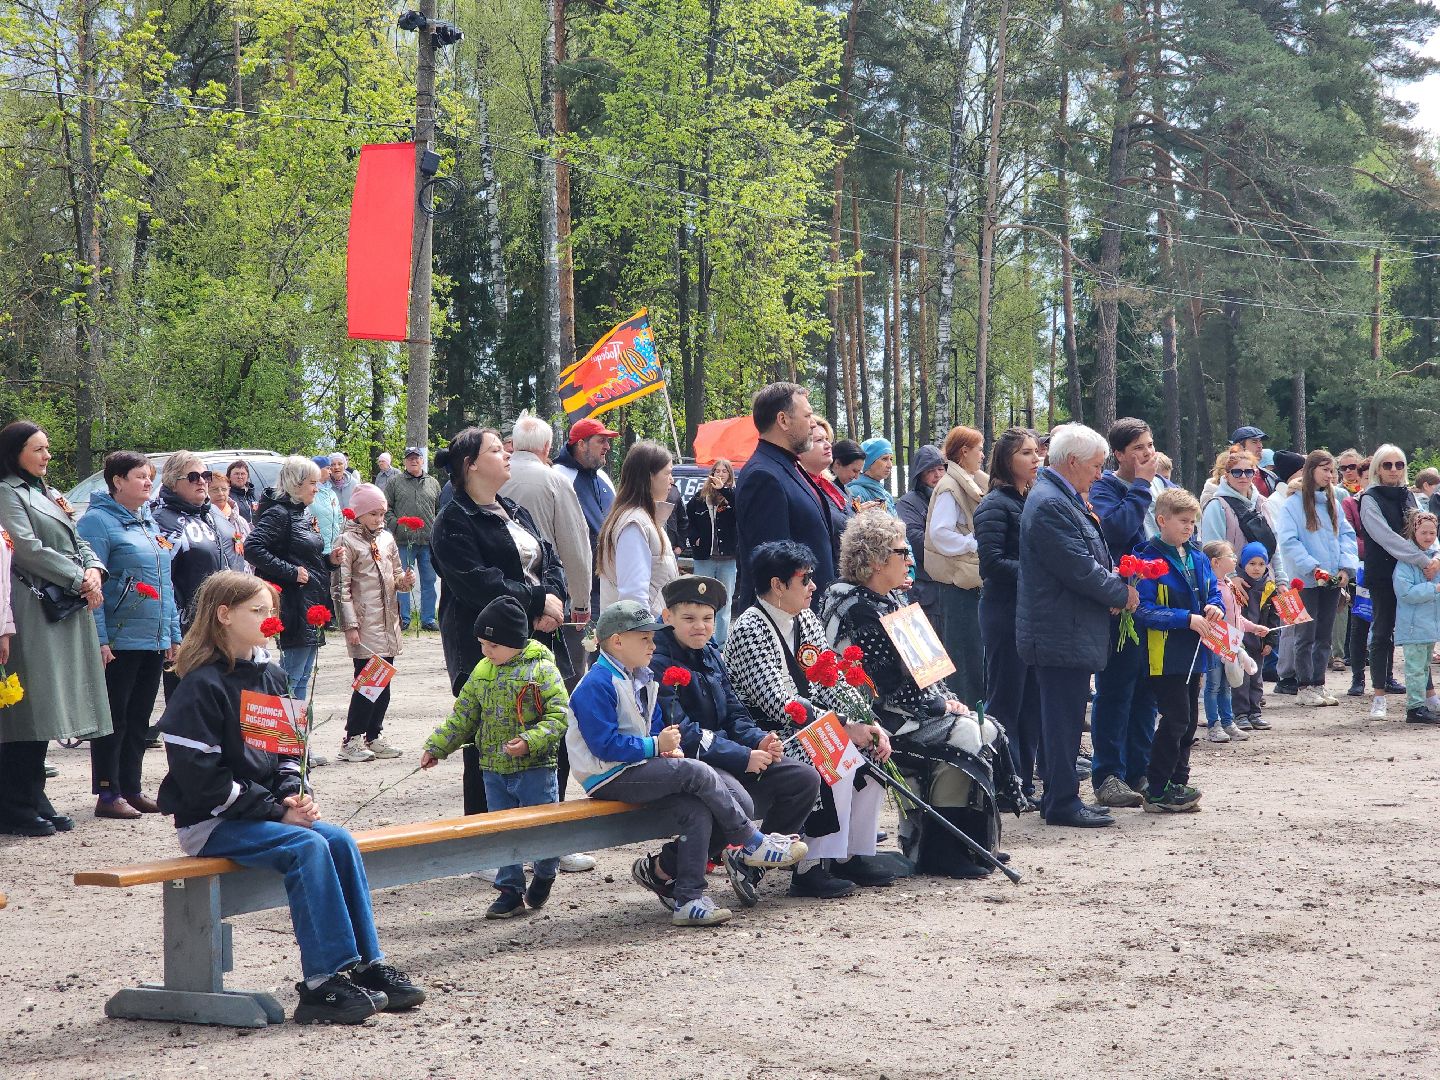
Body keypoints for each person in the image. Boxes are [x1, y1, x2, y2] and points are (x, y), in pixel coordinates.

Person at [156, 571, 425, 1024]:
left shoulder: (272, 675)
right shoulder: (200, 685)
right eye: (256, 611)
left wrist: (294, 796)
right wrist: (275, 811)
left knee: (338, 839)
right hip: (212, 821)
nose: (269, 619)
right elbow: (202, 781)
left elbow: (289, 754)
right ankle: (322, 983)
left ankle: (366, 964)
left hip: (264, 814)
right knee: (308, 845)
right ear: (224, 615)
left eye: (271, 611)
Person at [568, 600, 808, 926]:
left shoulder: (641, 675)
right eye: (645, 638)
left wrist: (666, 749)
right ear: (617, 641)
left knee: (698, 810)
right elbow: (604, 745)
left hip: (635, 767)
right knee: (698, 771)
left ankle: (688, 899)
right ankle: (752, 842)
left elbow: (653, 725)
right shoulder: (597, 683)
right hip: (608, 775)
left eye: (653, 638)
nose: (653, 645)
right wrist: (656, 745)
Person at [819, 513, 1016, 877]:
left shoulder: (889, 598)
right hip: (875, 719)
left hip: (908, 710)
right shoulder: (857, 610)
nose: (910, 559)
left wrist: (947, 699)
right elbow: (884, 689)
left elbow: (928, 668)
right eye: (902, 551)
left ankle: (968, 844)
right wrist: (942, 706)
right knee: (966, 734)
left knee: (982, 726)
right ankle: (939, 850)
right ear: (877, 561)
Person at [725, 541, 892, 897]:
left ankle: (848, 854)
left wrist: (867, 722)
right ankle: (810, 866)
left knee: (872, 753)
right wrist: (843, 725)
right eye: (805, 579)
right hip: (765, 735)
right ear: (778, 585)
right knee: (835, 753)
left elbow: (832, 680)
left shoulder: (806, 619)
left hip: (810, 725)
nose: (813, 586)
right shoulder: (750, 627)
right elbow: (777, 700)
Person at [651, 575, 822, 908]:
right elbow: (683, 732)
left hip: (727, 754)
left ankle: (748, 862)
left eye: (707, 618)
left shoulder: (710, 653)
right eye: (689, 618)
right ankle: (664, 868)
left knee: (803, 779)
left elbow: (734, 711)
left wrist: (760, 740)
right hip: (690, 762)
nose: (700, 627)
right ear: (667, 617)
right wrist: (744, 755)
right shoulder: (658, 662)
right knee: (737, 800)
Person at [430, 427, 567, 818]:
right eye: (495, 450)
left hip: (537, 640)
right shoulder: (453, 520)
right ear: (470, 465)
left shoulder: (515, 510)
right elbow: (477, 583)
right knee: (489, 744)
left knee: (547, 732)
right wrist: (538, 601)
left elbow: (549, 559)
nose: (507, 453)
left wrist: (553, 600)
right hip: (483, 647)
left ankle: (546, 832)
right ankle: (484, 837)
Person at [1017, 423, 1136, 829]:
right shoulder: (1052, 503)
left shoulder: (1059, 497)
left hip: (1065, 626)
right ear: (1072, 461)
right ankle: (1062, 802)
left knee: (1064, 718)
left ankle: (1060, 796)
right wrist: (1120, 593)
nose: (1100, 475)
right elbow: (1078, 567)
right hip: (1059, 628)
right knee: (1062, 720)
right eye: (1096, 466)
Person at [420, 595, 570, 916]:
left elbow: (559, 716)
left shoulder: (542, 669)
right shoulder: (482, 671)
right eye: (482, 644)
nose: (486, 651)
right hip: (492, 768)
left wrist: (529, 741)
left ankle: (545, 872)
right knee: (502, 830)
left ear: (515, 642)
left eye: (493, 645)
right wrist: (437, 747)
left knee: (543, 827)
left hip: (535, 768)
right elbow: (463, 716)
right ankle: (510, 889)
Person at [0, 422, 110, 836]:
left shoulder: (47, 491)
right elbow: (26, 548)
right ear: (14, 453)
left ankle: (33, 793)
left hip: (61, 603)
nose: (47, 456)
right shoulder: (7, 492)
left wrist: (94, 569)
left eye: (47, 448)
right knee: (30, 704)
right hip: (32, 606)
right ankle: (15, 801)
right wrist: (78, 578)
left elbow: (77, 538)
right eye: (38, 449)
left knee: (48, 703)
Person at [77, 451, 182, 819]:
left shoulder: (147, 520)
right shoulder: (97, 522)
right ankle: (108, 792)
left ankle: (132, 788)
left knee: (139, 717)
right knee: (115, 718)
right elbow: (92, 587)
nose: (148, 482)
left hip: (151, 637)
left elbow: (164, 583)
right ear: (117, 481)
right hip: (119, 638)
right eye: (140, 476)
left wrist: (171, 633)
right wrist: (100, 639)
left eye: (150, 476)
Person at [1131, 488, 1224, 813]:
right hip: (1163, 655)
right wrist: (1187, 618)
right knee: (1176, 719)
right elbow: (1143, 610)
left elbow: (1213, 591)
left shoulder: (1198, 556)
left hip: (1194, 652)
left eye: (1192, 522)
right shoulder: (1146, 559)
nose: (1189, 527)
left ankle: (1178, 782)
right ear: (1161, 520)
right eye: (1183, 521)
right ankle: (1156, 790)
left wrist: (1215, 607)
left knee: (1190, 720)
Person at [1086, 418, 1162, 810]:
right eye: (1137, 449)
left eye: (1150, 445)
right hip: (1121, 605)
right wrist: (1142, 486)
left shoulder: (1159, 486)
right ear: (1118, 454)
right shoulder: (1104, 488)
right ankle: (1108, 775)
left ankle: (1139, 769)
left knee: (1147, 692)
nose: (1147, 454)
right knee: (1116, 690)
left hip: (1154, 605)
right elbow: (1115, 531)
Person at [974, 427, 1043, 807]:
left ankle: (1024, 784)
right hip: (1004, 613)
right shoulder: (994, 505)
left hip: (1029, 613)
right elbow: (991, 563)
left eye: (1036, 451)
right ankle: (1003, 785)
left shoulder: (1028, 499)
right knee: (1005, 702)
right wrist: (1039, 573)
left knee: (1031, 702)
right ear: (1006, 459)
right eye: (1026, 453)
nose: (1036, 458)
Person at [733, 382, 836, 611]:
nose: (813, 423)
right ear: (783, 420)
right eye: (807, 415)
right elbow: (774, 570)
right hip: (787, 618)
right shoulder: (763, 475)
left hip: (807, 612)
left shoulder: (788, 466)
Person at [501, 413, 593, 665]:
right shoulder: (555, 481)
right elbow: (574, 545)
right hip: (545, 591)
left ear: (514, 443)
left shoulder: (491, 477)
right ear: (546, 447)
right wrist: (581, 602)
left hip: (499, 589)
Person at [333, 484, 414, 763]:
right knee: (367, 683)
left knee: (383, 681)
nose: (379, 519)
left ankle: (374, 734)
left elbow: (397, 576)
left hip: (387, 621)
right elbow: (341, 587)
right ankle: (352, 739)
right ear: (359, 514)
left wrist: (405, 581)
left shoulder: (387, 539)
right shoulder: (346, 541)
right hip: (365, 622)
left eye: (382, 513)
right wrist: (350, 625)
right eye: (373, 514)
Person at [1275, 449, 1358, 708]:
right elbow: (1288, 541)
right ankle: (1304, 686)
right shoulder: (1292, 505)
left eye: (1332, 470)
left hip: (1332, 579)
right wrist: (1312, 568)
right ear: (1311, 470)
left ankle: (1319, 682)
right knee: (1305, 635)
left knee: (1324, 634)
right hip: (1306, 581)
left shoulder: (1334, 503)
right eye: (1325, 469)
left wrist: (1345, 568)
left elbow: (1347, 536)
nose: (1330, 475)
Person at [1357, 445, 1434, 720]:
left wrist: (1434, 556)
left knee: (1422, 632)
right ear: (1377, 468)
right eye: (1387, 465)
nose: (1393, 470)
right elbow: (1386, 538)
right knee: (1382, 632)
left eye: (1399, 464)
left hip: (1412, 571)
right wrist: (1423, 560)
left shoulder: (1408, 496)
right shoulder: (1369, 498)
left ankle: (1428, 694)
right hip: (1383, 573)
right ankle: (1379, 696)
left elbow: (1424, 529)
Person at [247, 456, 332, 703]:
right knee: (291, 678)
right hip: (294, 604)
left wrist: (330, 561)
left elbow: (306, 558)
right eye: (312, 483)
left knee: (303, 676)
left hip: (310, 602)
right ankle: (287, 726)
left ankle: (298, 726)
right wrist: (290, 571)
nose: (317, 488)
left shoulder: (300, 513)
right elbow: (252, 548)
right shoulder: (279, 513)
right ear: (296, 484)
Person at [924, 426, 988, 708]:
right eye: (979, 450)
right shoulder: (951, 487)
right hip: (958, 584)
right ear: (964, 452)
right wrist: (973, 544)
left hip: (966, 581)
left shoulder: (966, 481)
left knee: (973, 652)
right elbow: (940, 534)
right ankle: (966, 712)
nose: (982, 455)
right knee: (964, 654)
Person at [151, 453, 234, 633]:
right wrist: (173, 630)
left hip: (225, 620)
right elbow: (161, 581)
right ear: (173, 483)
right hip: (190, 627)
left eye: (206, 476)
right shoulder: (163, 521)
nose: (202, 481)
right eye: (193, 477)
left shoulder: (214, 514)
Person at [597, 441, 680, 612]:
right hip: (643, 627)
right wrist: (646, 629)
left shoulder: (645, 520)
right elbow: (633, 597)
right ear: (649, 477)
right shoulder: (634, 523)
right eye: (667, 473)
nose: (672, 480)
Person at [553, 416, 619, 613]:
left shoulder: (603, 478)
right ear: (581, 444)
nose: (607, 446)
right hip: (575, 593)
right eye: (601, 441)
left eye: (607, 441)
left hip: (609, 584)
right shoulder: (558, 476)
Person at [386, 447, 441, 632]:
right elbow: (386, 508)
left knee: (429, 581)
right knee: (402, 580)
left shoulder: (433, 483)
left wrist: (435, 529)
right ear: (404, 462)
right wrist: (397, 526)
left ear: (422, 461)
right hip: (403, 541)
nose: (413, 461)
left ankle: (428, 619)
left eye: (417, 458)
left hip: (427, 541)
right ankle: (404, 618)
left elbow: (439, 510)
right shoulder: (395, 482)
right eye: (410, 458)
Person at [1393, 511, 1440, 725]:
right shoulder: (1406, 561)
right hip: (1413, 625)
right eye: (1424, 532)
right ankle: (1414, 707)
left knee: (1422, 667)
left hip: (1428, 624)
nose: (1428, 537)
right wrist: (1434, 589)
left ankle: (1420, 705)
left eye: (1432, 532)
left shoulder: (1433, 559)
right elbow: (1405, 593)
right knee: (1414, 668)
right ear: (1414, 531)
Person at [686, 459, 738, 644]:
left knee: (725, 601)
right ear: (712, 473)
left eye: (724, 471)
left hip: (728, 558)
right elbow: (688, 520)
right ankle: (703, 641)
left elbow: (743, 510)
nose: (720, 474)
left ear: (729, 475)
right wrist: (694, 538)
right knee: (702, 599)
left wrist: (724, 490)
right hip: (704, 558)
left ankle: (721, 643)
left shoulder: (734, 496)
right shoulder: (700, 498)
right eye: (717, 470)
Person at [896, 444, 945, 636]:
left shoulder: (951, 498)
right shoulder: (908, 503)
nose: (937, 475)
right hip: (925, 590)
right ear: (920, 475)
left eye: (940, 469)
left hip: (949, 589)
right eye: (930, 470)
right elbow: (915, 540)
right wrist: (950, 543)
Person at [1233, 541, 1280, 733]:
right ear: (1243, 564)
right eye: (1251, 563)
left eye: (1261, 564)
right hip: (1239, 641)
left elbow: (1273, 617)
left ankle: (1255, 712)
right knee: (1240, 680)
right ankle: (1240, 714)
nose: (1256, 568)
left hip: (1259, 641)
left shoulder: (1269, 586)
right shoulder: (1235, 584)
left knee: (1256, 678)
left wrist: (1270, 641)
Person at [1200, 446, 1277, 559]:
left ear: (1254, 474)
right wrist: (1231, 570)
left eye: (1249, 472)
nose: (1243, 476)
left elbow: (1275, 546)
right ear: (1226, 475)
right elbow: (1212, 551)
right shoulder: (1216, 506)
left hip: (1266, 569)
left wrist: (1279, 570)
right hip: (1229, 569)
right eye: (1237, 472)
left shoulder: (1263, 503)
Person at [799, 417, 854, 573]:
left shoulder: (831, 486)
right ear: (800, 448)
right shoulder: (800, 488)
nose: (828, 445)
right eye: (819, 440)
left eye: (827, 440)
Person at [207, 470, 250, 570]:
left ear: (229, 491)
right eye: (214, 489)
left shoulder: (239, 521)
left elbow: (250, 556)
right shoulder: (204, 522)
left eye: (224, 489)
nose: (220, 493)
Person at [845, 438, 897, 514]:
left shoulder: (886, 495)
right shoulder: (855, 492)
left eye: (891, 459)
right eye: (884, 459)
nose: (890, 465)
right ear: (869, 462)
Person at [1230, 426, 1278, 496]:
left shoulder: (1269, 476)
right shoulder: (1226, 477)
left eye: (1260, 441)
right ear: (1239, 447)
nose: (1260, 446)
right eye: (1254, 442)